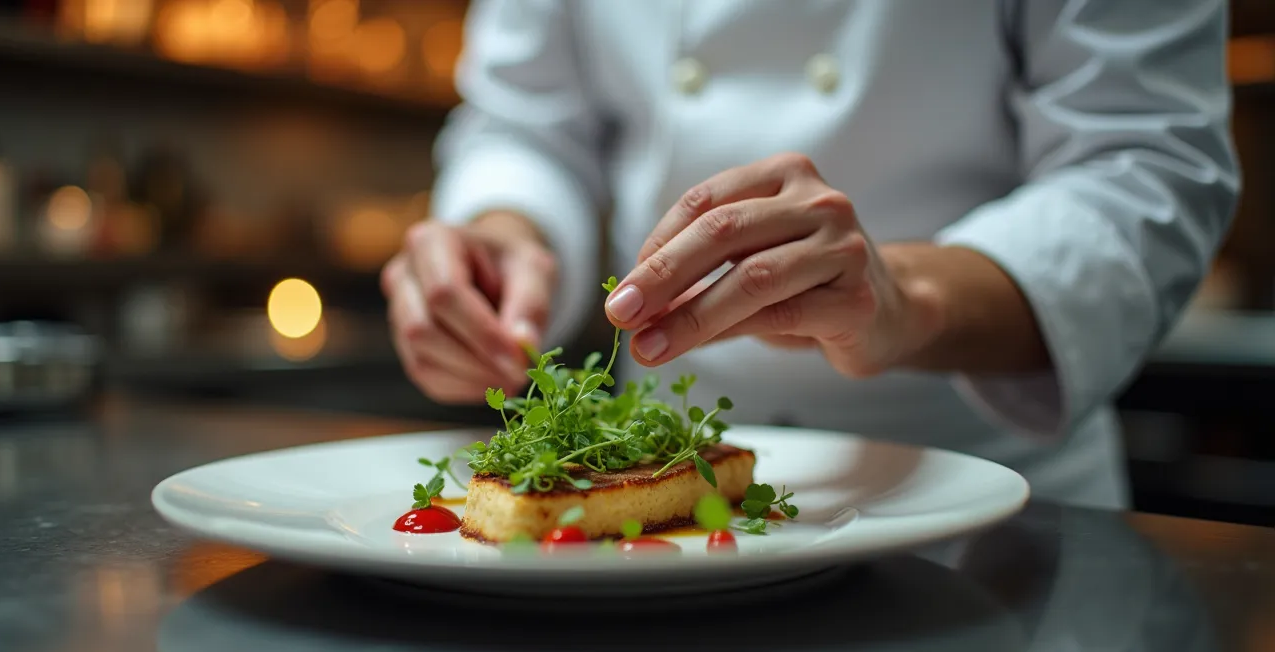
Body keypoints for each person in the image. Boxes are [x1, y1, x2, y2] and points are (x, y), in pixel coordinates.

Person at [381, 0, 1239, 510]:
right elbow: (528, 125)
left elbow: (1146, 163)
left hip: (991, 500)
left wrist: (906, 296)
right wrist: (504, 239)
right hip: (653, 501)